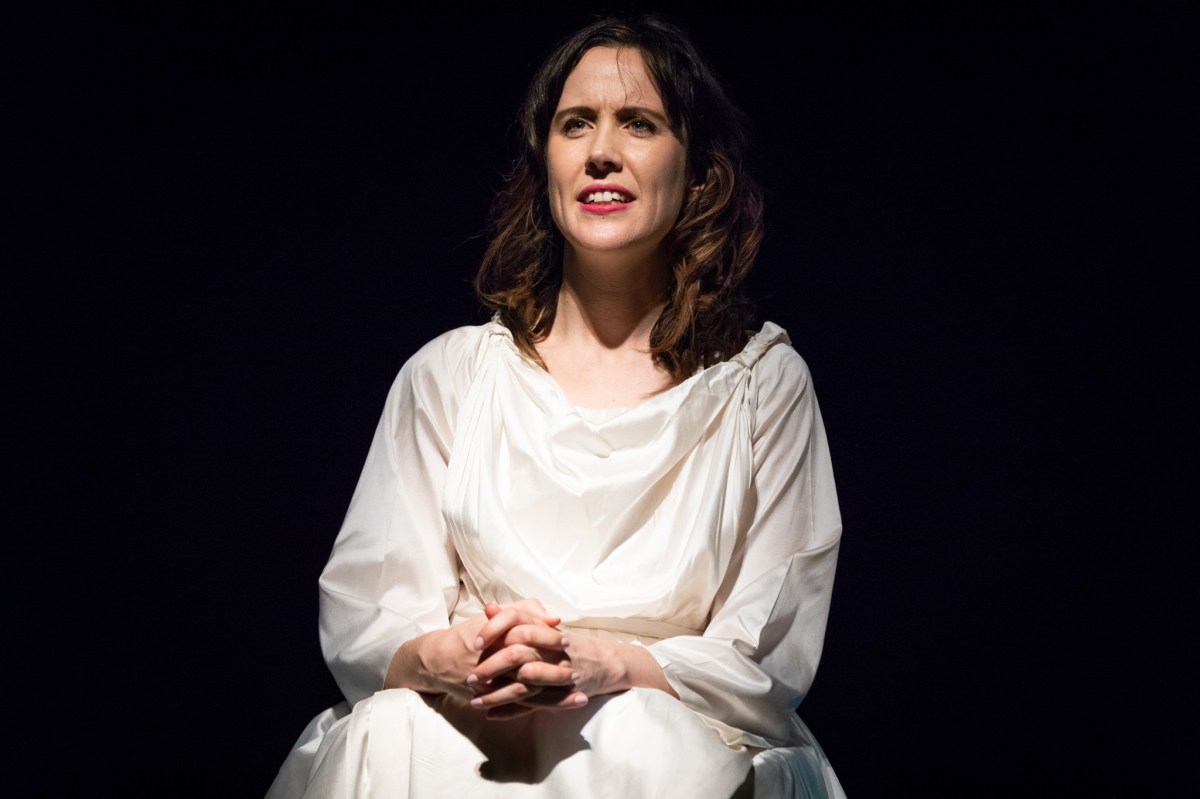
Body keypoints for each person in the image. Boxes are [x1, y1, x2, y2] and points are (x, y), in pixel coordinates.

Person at [266, 12, 845, 799]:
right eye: (576, 123)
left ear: (698, 174)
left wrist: (606, 663)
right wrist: (457, 657)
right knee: (388, 733)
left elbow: (767, 651)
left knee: (643, 744)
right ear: (546, 164)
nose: (601, 150)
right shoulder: (449, 377)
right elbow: (371, 612)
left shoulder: (762, 385)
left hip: (675, 737)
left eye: (638, 123)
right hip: (467, 727)